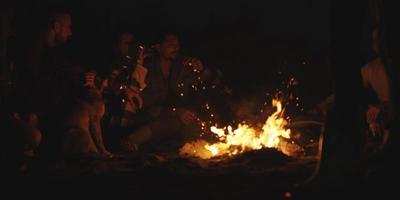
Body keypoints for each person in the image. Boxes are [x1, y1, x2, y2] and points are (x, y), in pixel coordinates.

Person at [120, 30, 205, 152]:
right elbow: (146, 105)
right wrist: (175, 112)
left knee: (191, 121)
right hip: (145, 117)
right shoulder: (147, 67)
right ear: (158, 47)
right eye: (170, 44)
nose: (175, 47)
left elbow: (190, 92)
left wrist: (199, 71)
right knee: (172, 121)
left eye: (177, 44)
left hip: (169, 117)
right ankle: (132, 140)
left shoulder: (180, 67)